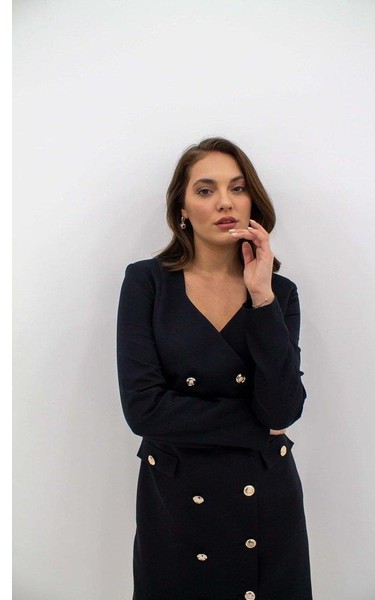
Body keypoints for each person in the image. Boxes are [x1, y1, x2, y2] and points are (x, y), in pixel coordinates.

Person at [116, 137, 312, 599]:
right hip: (176, 501)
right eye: (205, 190)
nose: (225, 201)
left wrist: (261, 297)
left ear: (252, 201)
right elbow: (143, 411)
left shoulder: (279, 293)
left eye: (237, 188)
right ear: (182, 209)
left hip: (265, 501)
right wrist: (256, 425)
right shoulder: (147, 282)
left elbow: (282, 408)